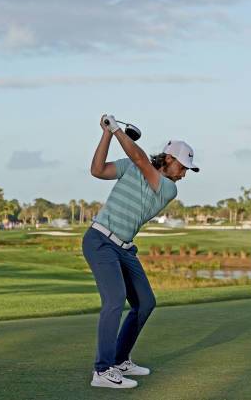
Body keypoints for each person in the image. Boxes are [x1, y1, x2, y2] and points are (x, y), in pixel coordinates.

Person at [83, 114, 199, 389]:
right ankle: (102, 371)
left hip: (123, 248)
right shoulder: (133, 167)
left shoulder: (168, 188)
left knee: (145, 302)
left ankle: (121, 360)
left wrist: (117, 130)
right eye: (183, 167)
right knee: (115, 299)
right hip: (99, 240)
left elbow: (141, 160)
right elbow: (97, 170)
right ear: (169, 159)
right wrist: (108, 134)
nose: (184, 174)